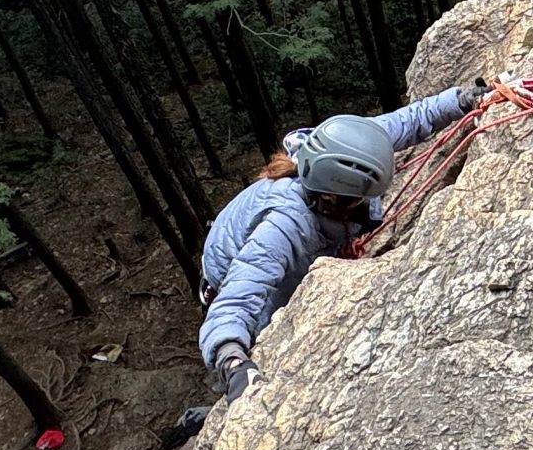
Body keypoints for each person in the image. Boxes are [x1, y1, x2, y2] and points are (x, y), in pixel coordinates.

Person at [189, 81, 484, 410]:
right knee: (264, 341)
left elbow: (407, 121)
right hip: (242, 284)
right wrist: (232, 362)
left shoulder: (342, 146)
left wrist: (462, 99)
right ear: (338, 196)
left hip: (251, 252)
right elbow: (239, 296)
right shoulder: (287, 225)